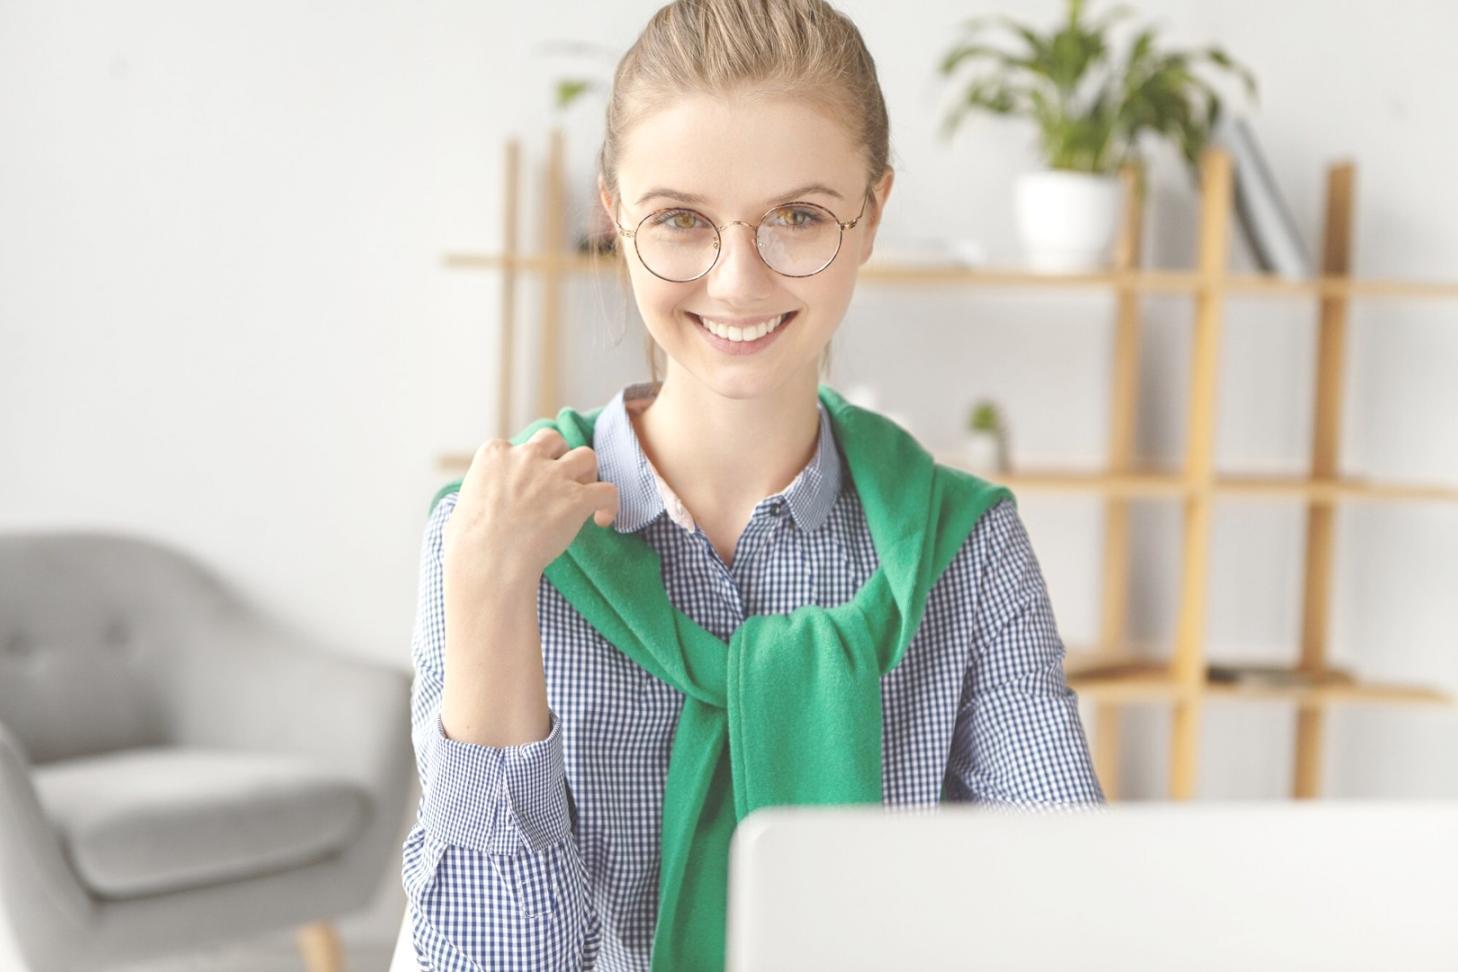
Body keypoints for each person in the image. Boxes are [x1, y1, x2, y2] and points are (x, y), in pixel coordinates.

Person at [401, 1, 1105, 969]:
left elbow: (1065, 913)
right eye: (681, 220)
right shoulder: (491, 538)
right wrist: (486, 596)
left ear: (872, 215)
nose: (736, 282)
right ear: (616, 217)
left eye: (800, 216)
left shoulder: (963, 551)